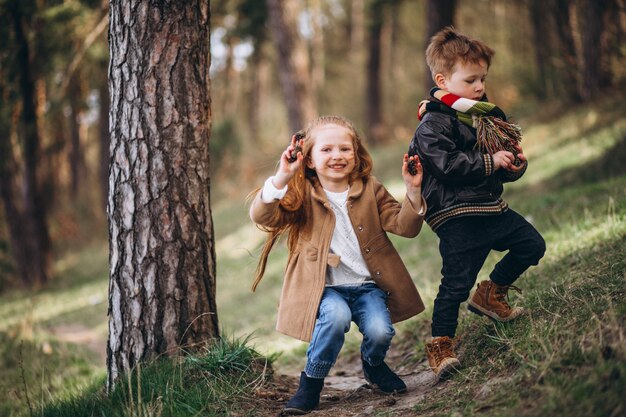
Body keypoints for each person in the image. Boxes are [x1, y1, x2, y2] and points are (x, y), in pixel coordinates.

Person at [249, 115, 427, 415]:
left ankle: (373, 364)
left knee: (380, 330)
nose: (337, 156)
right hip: (326, 289)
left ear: (356, 155)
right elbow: (263, 217)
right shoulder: (303, 192)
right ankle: (311, 383)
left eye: (345, 149)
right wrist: (281, 177)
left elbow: (405, 226)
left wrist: (413, 191)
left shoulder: (370, 188)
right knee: (334, 318)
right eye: (326, 150)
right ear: (308, 159)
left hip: (368, 285)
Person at [408, 27, 546, 379]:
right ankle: (441, 345)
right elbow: (446, 165)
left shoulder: (481, 117)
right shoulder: (433, 124)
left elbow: (497, 169)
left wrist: (513, 164)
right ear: (443, 79)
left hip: (489, 207)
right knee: (454, 284)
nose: (480, 86)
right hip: (456, 215)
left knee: (532, 245)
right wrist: (489, 162)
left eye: (482, 78)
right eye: (471, 79)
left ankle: (490, 293)